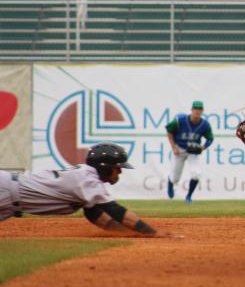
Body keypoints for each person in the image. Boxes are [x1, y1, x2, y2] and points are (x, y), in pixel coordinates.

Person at [0, 142, 165, 237]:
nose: (120, 171)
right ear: (105, 167)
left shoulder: (86, 178)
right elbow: (115, 210)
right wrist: (151, 232)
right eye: (117, 167)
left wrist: (125, 233)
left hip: (10, 202)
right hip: (4, 189)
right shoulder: (87, 180)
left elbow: (94, 213)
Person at [165, 100, 214, 202]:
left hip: (193, 151)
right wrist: (174, 147)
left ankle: (188, 196)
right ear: (191, 110)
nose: (197, 111)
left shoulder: (205, 124)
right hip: (180, 149)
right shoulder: (180, 120)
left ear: (202, 111)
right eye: (195, 109)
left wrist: (203, 147)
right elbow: (169, 131)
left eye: (199, 109)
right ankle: (170, 182)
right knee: (175, 178)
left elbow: (210, 138)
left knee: (196, 173)